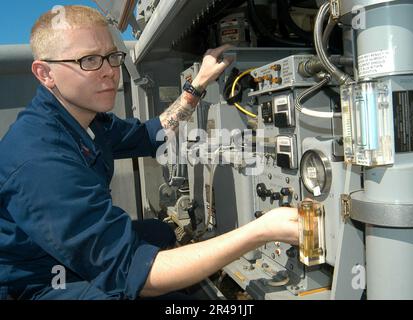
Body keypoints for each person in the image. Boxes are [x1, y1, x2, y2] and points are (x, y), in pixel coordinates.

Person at [0, 5, 299, 300]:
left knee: (160, 233)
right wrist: (260, 231)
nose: (109, 72)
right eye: (89, 60)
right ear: (45, 73)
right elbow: (137, 273)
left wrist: (196, 86)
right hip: (41, 282)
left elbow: (151, 134)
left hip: (69, 256)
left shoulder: (87, 120)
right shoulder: (39, 159)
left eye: (112, 57)